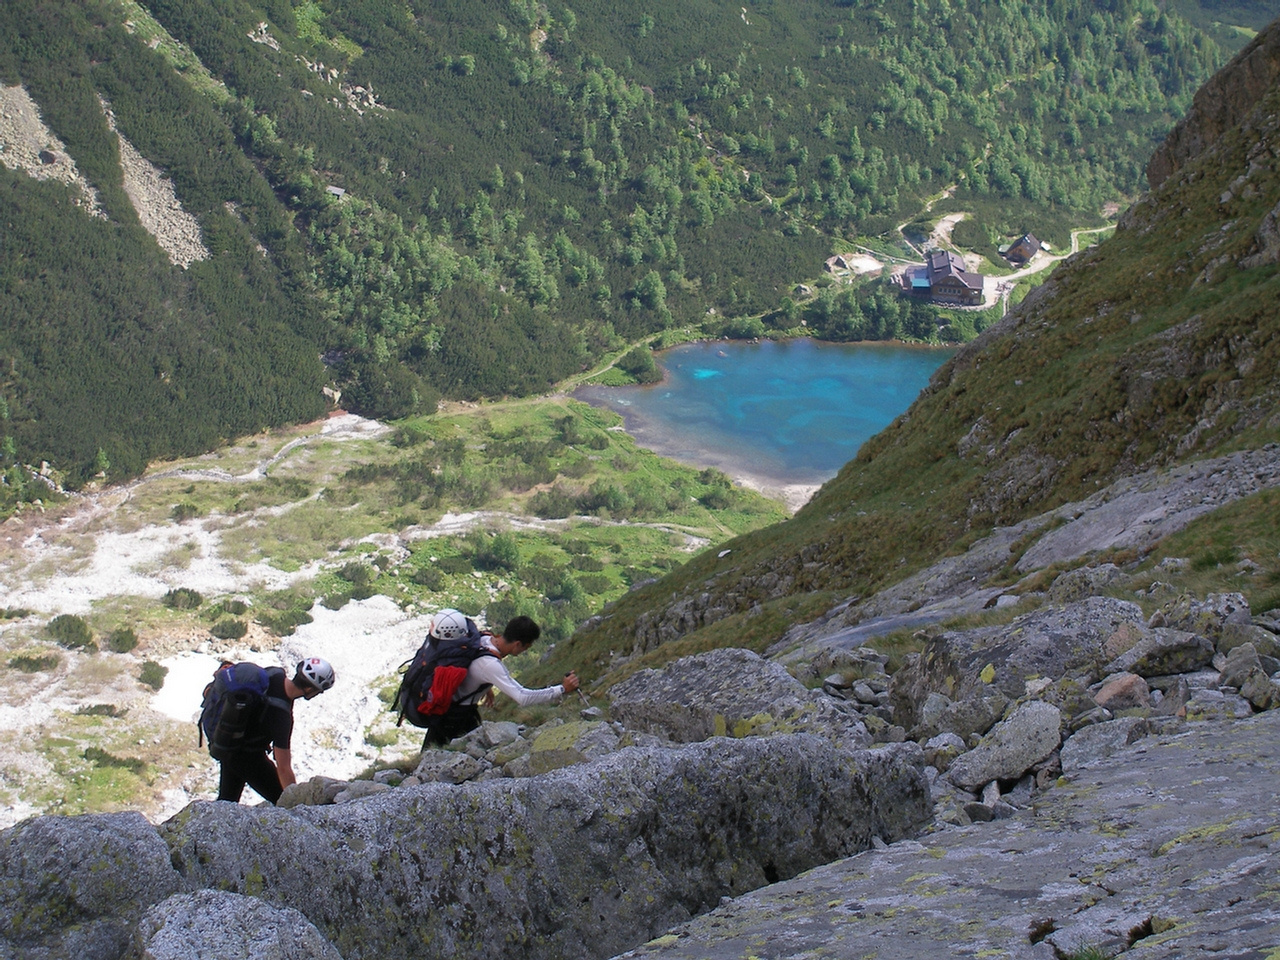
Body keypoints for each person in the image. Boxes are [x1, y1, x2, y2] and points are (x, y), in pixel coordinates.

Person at [423, 615, 579, 748]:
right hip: (456, 717)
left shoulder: (484, 638)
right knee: (445, 757)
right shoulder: (491, 665)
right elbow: (522, 697)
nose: (525, 651)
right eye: (526, 647)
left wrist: (484, 687)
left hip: (446, 709)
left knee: (433, 753)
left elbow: (472, 666)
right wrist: (562, 689)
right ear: (518, 644)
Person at [214, 656, 336, 804]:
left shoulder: (275, 673)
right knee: (280, 798)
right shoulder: (281, 717)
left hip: (230, 744)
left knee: (226, 801)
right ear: (310, 688)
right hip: (249, 758)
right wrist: (296, 802)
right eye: (319, 690)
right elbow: (283, 768)